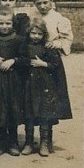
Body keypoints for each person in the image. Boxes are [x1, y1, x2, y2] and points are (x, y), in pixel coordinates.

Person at [30, 0, 73, 152]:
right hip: (34, 60)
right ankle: (30, 139)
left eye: (45, 2)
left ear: (52, 2)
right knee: (34, 99)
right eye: (38, 3)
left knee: (49, 102)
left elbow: (67, 39)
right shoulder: (32, 16)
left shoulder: (58, 18)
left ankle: (46, 141)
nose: (42, 6)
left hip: (51, 62)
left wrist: (55, 43)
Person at [0, 8, 26, 156]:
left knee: (13, 109)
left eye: (8, 23)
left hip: (13, 80)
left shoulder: (19, 39)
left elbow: (25, 58)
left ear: (13, 23)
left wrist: (14, 60)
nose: (4, 26)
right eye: (1, 23)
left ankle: (13, 142)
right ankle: (0, 142)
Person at [21, 19, 62, 157]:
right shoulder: (24, 46)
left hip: (45, 85)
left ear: (44, 34)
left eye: (39, 34)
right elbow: (20, 59)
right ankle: (28, 142)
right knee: (29, 114)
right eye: (33, 33)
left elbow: (55, 65)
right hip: (28, 84)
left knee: (44, 113)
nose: (35, 36)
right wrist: (28, 62)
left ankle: (44, 143)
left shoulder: (48, 47)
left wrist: (43, 63)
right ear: (29, 33)